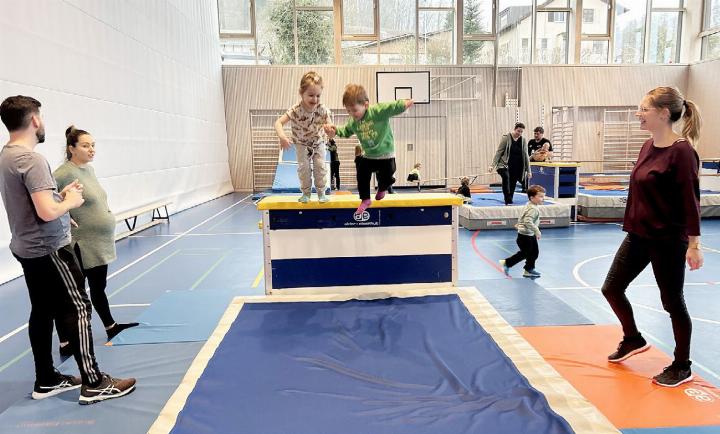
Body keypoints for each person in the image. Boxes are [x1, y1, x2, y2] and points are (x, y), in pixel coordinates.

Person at [0, 96, 135, 404]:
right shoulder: (31, 159)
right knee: (79, 308)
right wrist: (69, 203)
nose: (43, 123)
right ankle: (94, 381)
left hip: (27, 247)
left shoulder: (7, 156)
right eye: (41, 117)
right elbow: (47, 212)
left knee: (43, 311)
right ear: (34, 120)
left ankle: (46, 379)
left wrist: (59, 200)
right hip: (48, 250)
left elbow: (36, 205)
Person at [600, 86, 703, 387]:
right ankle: (632, 338)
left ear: (663, 113)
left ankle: (682, 365)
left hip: (668, 240)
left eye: (644, 109)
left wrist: (694, 244)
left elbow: (690, 201)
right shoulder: (647, 146)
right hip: (638, 235)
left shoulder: (682, 152)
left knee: (672, 302)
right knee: (611, 289)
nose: (638, 113)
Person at [53, 125, 139, 357]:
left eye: (93, 145)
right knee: (72, 295)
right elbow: (50, 202)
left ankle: (111, 327)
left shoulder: (88, 171)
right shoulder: (62, 173)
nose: (91, 149)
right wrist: (65, 216)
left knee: (99, 288)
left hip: (99, 242)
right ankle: (65, 342)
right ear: (71, 148)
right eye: (85, 145)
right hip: (80, 243)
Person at [325, 84, 413, 214]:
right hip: (369, 155)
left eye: (354, 110)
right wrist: (336, 130)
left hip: (386, 154)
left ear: (365, 105)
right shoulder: (353, 122)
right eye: (348, 111)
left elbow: (392, 107)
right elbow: (346, 131)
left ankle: (383, 187)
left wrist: (405, 103)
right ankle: (365, 199)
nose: (352, 114)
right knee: (362, 174)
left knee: (388, 175)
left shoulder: (377, 111)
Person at [274, 71, 332, 203]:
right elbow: (278, 123)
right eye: (311, 95)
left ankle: (321, 192)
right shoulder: (295, 110)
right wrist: (282, 137)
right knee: (303, 168)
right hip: (301, 143)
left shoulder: (322, 109)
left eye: (318, 95)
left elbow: (330, 125)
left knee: (320, 166)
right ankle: (306, 193)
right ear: (301, 93)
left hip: (318, 142)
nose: (315, 99)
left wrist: (330, 130)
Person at [499, 185, 545, 278]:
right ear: (532, 197)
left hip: (529, 234)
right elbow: (528, 221)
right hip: (525, 236)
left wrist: (519, 223)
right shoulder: (533, 208)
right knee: (525, 253)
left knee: (534, 253)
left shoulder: (529, 204)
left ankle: (528, 270)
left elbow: (523, 215)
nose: (543, 199)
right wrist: (537, 231)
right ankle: (507, 263)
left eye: (543, 196)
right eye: (540, 196)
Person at [489, 122, 531, 205]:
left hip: (517, 166)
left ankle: (510, 198)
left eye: (521, 132)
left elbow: (526, 155)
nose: (519, 133)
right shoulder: (506, 138)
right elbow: (499, 152)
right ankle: (507, 199)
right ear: (514, 129)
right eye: (518, 131)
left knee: (513, 182)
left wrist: (529, 171)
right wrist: (492, 165)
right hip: (504, 164)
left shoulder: (523, 140)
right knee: (506, 177)